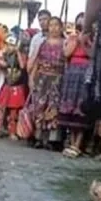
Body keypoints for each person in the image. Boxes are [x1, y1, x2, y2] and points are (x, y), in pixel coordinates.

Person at [27, 16, 66, 149]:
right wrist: (32, 78)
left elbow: (67, 63)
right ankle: (38, 137)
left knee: (54, 107)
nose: (54, 28)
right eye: (51, 25)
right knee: (39, 107)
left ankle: (52, 139)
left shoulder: (65, 44)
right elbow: (36, 62)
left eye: (56, 25)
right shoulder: (42, 43)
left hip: (57, 79)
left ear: (61, 27)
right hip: (42, 79)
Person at [58, 13, 93, 157]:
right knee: (71, 107)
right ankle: (72, 143)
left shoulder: (93, 38)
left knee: (80, 107)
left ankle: (78, 144)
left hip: (85, 72)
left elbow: (92, 55)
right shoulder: (72, 37)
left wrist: (84, 41)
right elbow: (66, 54)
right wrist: (74, 40)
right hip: (72, 73)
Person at [0, 34, 28, 140]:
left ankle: (12, 131)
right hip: (7, 85)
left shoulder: (21, 55)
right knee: (1, 109)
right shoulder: (4, 55)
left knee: (14, 111)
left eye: (12, 45)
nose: (10, 47)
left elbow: (22, 66)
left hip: (17, 86)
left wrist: (17, 52)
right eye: (8, 45)